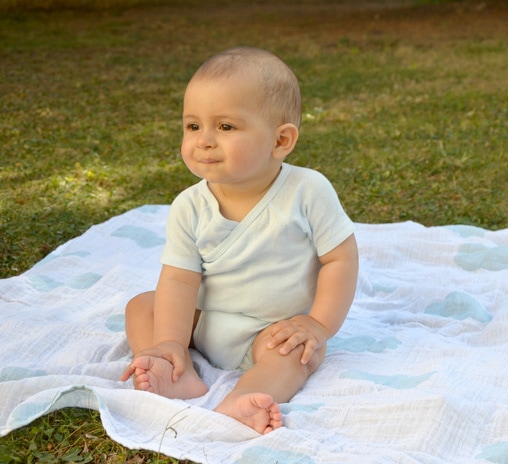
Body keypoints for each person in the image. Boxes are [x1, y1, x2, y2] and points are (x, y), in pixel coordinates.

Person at [119, 46, 358, 435]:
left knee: (299, 352)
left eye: (226, 127)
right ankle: (176, 368)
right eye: (193, 126)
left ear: (281, 141)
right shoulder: (190, 206)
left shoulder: (307, 191)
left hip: (272, 330)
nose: (204, 141)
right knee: (142, 306)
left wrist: (317, 323)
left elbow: (340, 260)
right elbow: (179, 279)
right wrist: (172, 340)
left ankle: (246, 398)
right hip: (204, 321)